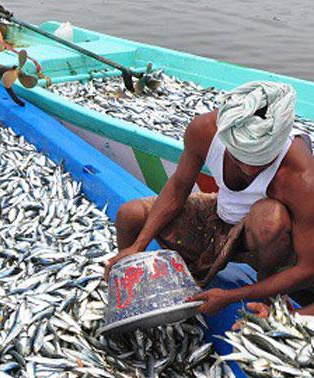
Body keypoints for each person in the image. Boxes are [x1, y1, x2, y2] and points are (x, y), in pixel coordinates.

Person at [105, 81, 314, 316]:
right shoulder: (204, 130)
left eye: (259, 161)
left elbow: (307, 268)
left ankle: (264, 298)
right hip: (220, 214)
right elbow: (178, 186)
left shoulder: (302, 177)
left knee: (269, 220)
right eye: (240, 158)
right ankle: (133, 298)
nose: (248, 168)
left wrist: (230, 297)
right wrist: (138, 245)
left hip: (265, 242)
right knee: (128, 214)